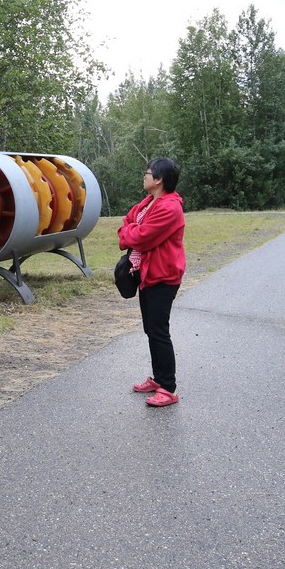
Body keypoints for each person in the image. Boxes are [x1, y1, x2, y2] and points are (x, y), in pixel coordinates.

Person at [117, 157, 186, 407]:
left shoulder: (169, 208)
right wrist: (130, 233)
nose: (144, 176)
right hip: (147, 274)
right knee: (151, 329)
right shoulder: (148, 202)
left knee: (158, 331)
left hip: (163, 276)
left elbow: (143, 238)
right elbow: (127, 224)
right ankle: (158, 379)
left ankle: (168, 388)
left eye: (147, 173)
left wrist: (130, 234)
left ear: (159, 179)